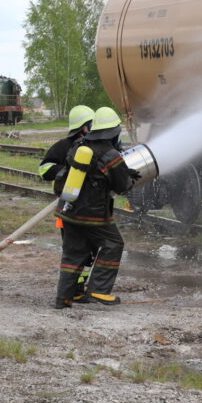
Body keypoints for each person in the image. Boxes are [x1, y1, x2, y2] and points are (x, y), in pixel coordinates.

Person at [53, 106, 133, 309]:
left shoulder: (79, 146)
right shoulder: (110, 154)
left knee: (73, 254)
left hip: (68, 210)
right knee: (113, 244)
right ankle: (99, 289)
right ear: (114, 131)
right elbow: (122, 186)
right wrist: (129, 175)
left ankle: (63, 299)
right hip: (93, 215)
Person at [39, 105, 96, 302]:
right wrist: (67, 172)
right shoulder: (63, 146)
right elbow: (44, 169)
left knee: (90, 250)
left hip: (91, 209)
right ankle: (73, 289)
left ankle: (78, 288)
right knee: (74, 250)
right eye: (91, 124)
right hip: (69, 209)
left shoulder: (94, 146)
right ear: (83, 127)